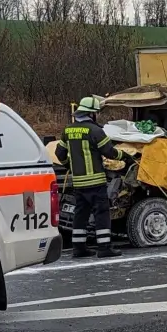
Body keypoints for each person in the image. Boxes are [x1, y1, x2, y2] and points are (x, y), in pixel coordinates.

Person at [63, 95, 122, 258]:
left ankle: (79, 248)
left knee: (80, 214)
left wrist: (70, 165)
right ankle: (104, 248)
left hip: (79, 183)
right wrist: (123, 155)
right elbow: (109, 151)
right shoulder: (95, 130)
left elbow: (59, 153)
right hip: (96, 181)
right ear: (92, 114)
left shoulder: (68, 130)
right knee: (101, 213)